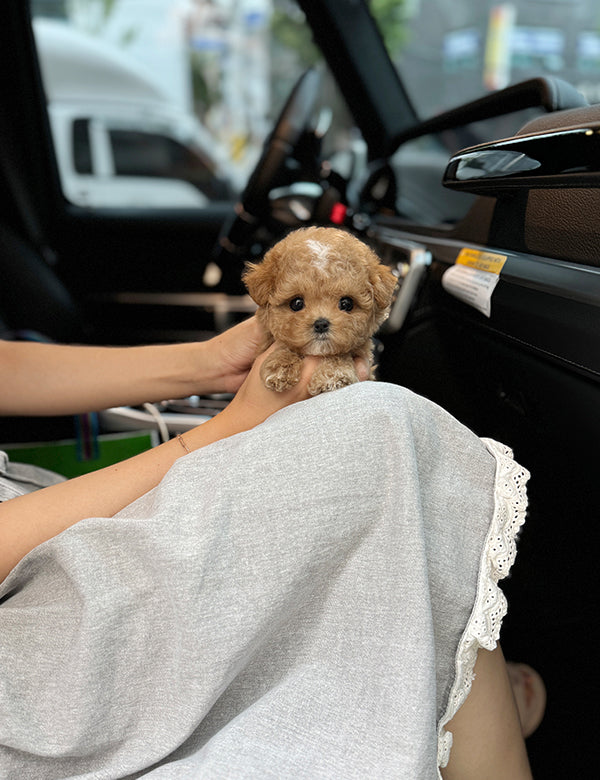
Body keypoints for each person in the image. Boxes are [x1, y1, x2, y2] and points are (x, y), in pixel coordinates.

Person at [0, 318, 533, 779]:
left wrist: (210, 362)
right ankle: (448, 708)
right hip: (30, 663)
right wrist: (224, 430)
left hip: (31, 526)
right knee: (379, 436)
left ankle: (438, 701)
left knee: (362, 447)